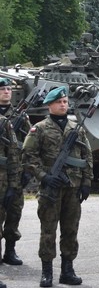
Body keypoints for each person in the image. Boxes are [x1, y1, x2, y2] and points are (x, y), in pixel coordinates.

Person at [22, 86, 92, 287]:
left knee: (71, 230)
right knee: (48, 231)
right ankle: (47, 273)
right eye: (59, 102)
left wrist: (86, 182)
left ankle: (67, 271)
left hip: (73, 187)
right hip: (50, 189)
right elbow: (28, 156)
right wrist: (44, 177)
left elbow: (87, 156)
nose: (63, 105)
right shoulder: (40, 128)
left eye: (65, 102)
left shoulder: (75, 127)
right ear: (49, 105)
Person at [0, 77, 29, 266]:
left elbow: (29, 146)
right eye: (2, 89)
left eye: (9, 89)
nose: (6, 92)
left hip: (15, 174)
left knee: (14, 213)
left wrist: (26, 171)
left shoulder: (21, 117)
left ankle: (10, 251)